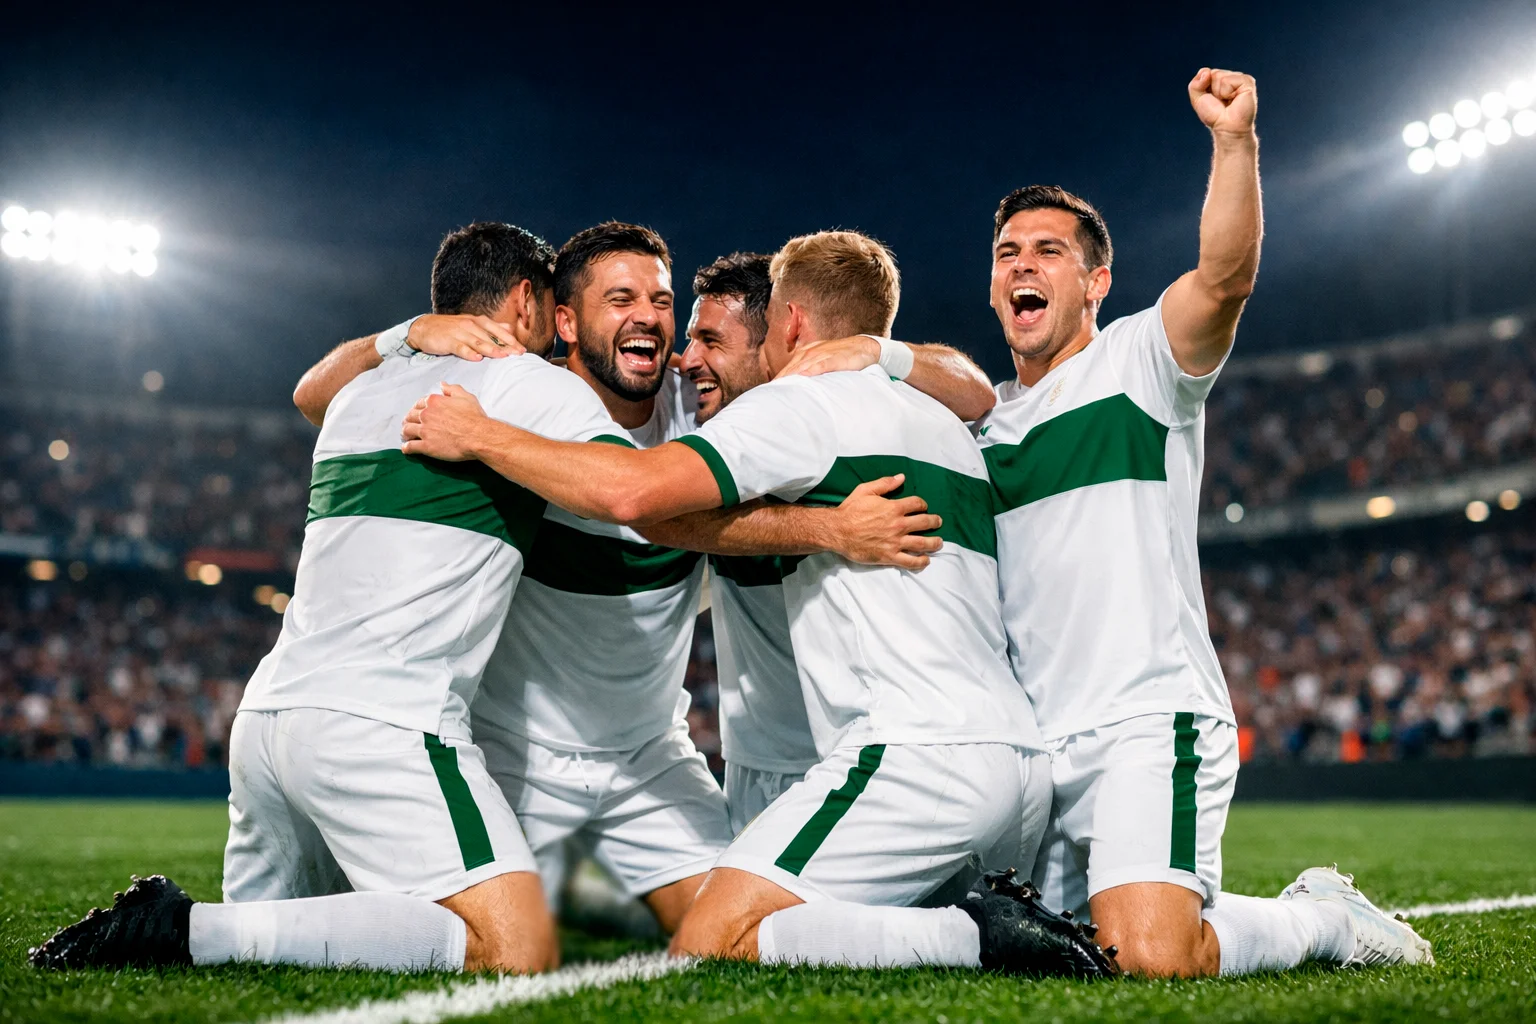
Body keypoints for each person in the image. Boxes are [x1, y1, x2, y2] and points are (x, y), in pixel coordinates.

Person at [400, 229, 1113, 977]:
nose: (685, 355)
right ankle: (971, 928)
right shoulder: (926, 414)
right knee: (825, 944)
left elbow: (634, 495)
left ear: (790, 328)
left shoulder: (792, 409)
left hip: (896, 754)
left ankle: (977, 938)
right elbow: (976, 390)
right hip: (982, 757)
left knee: (719, 944)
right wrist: (411, 332)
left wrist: (481, 436)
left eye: (706, 333)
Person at [30, 223, 621, 974]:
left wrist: (401, 337)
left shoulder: (356, 395)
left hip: (269, 724)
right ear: (526, 299)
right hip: (385, 724)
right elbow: (628, 493)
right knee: (514, 945)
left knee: (268, 961)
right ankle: (183, 929)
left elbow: (307, 391)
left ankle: (197, 933)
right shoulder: (530, 385)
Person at [975, 69, 1432, 976]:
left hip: (1148, 713)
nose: (1021, 263)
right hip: (1033, 748)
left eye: (1049, 250)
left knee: (1148, 956)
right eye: (1007, 251)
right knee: (1054, 952)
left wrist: (1234, 143)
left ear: (1097, 279)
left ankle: (1326, 919)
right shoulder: (979, 423)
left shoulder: (1137, 361)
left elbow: (1224, 279)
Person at [669, 251, 997, 832]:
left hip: (863, 749)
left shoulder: (831, 412)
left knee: (741, 926)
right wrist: (829, 529)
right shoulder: (700, 422)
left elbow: (978, 392)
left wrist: (878, 348)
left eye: (711, 340)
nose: (689, 358)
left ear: (774, 332)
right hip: (762, 759)